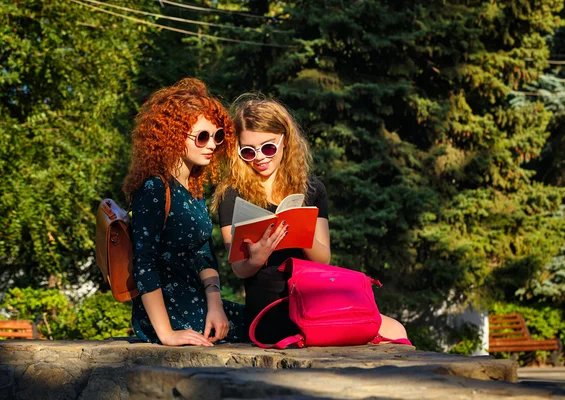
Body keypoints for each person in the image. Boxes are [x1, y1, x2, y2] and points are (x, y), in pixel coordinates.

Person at [213, 95, 409, 344]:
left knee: (396, 331)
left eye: (268, 147)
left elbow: (323, 258)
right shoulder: (232, 195)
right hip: (270, 311)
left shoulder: (312, 189)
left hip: (313, 300)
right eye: (248, 151)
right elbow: (238, 269)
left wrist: (300, 231)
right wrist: (255, 259)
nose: (260, 158)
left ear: (285, 141)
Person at [122, 78, 245, 346]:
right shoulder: (155, 188)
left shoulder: (193, 190)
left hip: (196, 302)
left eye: (218, 136)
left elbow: (204, 253)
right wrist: (166, 334)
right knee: (263, 327)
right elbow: (144, 263)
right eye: (202, 137)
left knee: (264, 322)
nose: (212, 144)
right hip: (168, 314)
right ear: (174, 136)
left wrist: (216, 305)